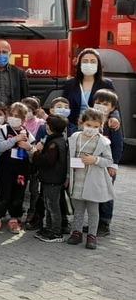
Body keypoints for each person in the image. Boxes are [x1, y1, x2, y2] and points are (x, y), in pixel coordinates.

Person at [66, 109, 115, 250]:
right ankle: (76, 232)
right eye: (88, 125)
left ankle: (92, 235)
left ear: (100, 126)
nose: (91, 128)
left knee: (93, 211)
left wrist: (95, 160)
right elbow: (69, 157)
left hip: (93, 181)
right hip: (77, 180)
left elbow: (109, 160)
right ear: (82, 123)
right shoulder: (75, 137)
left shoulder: (103, 141)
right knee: (78, 210)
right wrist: (68, 176)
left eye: (95, 126)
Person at [0, 102, 34, 234]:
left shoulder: (27, 132)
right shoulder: (2, 130)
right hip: (6, 169)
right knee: (4, 193)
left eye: (17, 116)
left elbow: (33, 151)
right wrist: (15, 139)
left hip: (21, 170)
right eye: (12, 115)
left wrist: (29, 148)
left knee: (18, 194)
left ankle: (14, 218)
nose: (14, 118)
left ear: (24, 119)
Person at [30, 114, 68, 243]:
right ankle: (49, 228)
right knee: (48, 204)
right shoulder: (57, 139)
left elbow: (47, 161)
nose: (45, 126)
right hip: (51, 179)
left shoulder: (54, 143)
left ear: (50, 127)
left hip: (53, 179)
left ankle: (56, 231)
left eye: (47, 124)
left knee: (52, 206)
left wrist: (36, 152)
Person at [61, 48, 120, 131]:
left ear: (98, 65)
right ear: (80, 64)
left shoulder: (106, 84)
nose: (89, 64)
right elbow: (63, 103)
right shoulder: (70, 84)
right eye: (85, 61)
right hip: (73, 127)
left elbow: (115, 106)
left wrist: (114, 118)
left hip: (96, 126)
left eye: (93, 61)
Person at [95, 89, 124, 236]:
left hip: (108, 165)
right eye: (98, 102)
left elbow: (118, 145)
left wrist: (114, 164)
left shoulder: (113, 124)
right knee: (95, 192)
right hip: (94, 164)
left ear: (113, 107)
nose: (101, 106)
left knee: (106, 193)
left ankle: (104, 223)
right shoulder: (92, 119)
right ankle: (95, 222)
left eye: (105, 104)